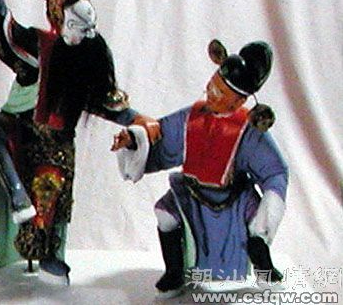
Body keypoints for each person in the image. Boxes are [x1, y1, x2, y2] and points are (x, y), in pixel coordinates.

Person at [0, 0, 160, 282]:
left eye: (90, 27)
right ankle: (18, 198)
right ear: (58, 19)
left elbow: (105, 102)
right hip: (17, 125)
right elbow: (2, 34)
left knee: (50, 193)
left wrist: (139, 119)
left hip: (56, 140)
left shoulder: (91, 54)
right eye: (79, 27)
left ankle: (48, 254)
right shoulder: (39, 47)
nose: (88, 34)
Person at [112, 39, 288, 298]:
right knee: (165, 215)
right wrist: (133, 138)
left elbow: (274, 170)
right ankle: (174, 273)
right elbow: (160, 136)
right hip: (192, 194)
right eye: (212, 85)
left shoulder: (248, 130)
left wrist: (271, 200)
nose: (210, 92)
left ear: (238, 101)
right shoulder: (191, 116)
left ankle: (265, 271)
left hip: (235, 198)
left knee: (256, 228)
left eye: (220, 92)